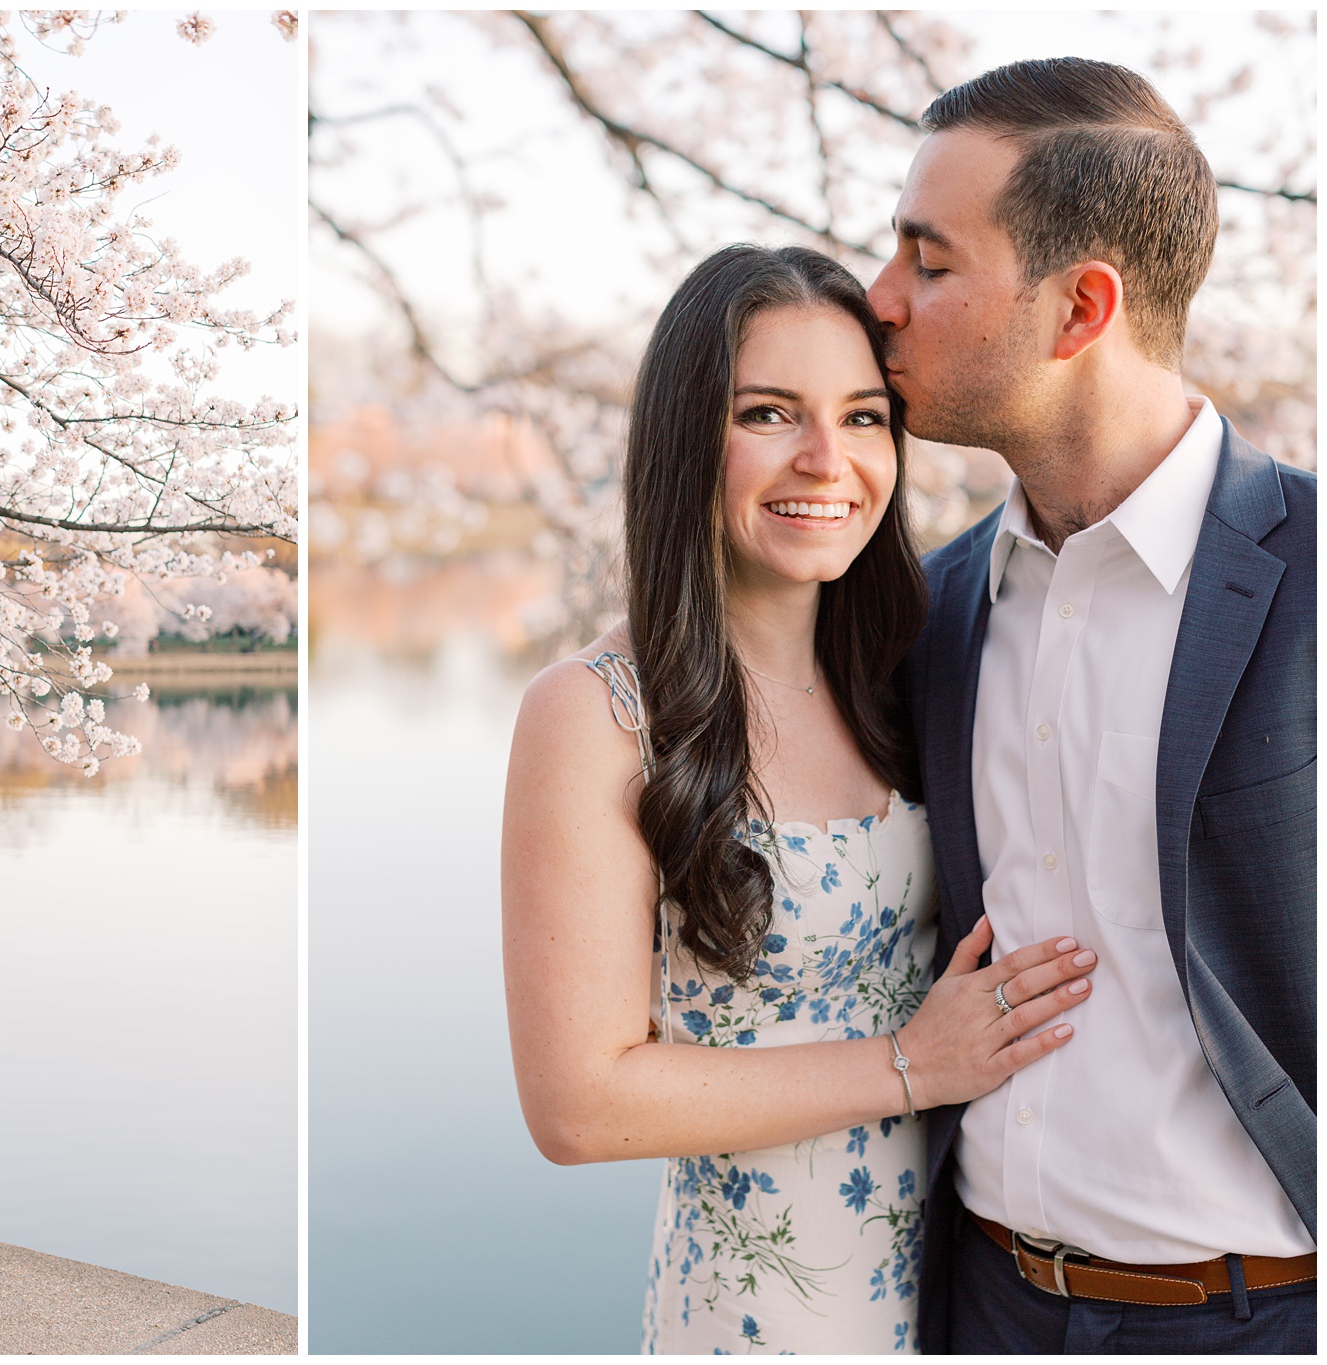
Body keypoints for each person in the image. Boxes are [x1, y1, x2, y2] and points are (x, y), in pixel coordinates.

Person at [501, 244, 1102, 1354]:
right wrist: (909, 1064)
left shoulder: (908, 669)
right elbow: (577, 1106)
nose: (827, 460)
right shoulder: (596, 714)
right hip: (755, 1318)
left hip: (957, 1296)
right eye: (768, 414)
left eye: (863, 417)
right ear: (688, 437)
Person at [869, 58, 1316, 1353]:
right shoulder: (929, 611)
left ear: (1079, 309)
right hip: (975, 1307)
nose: (879, 298)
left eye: (928, 261)